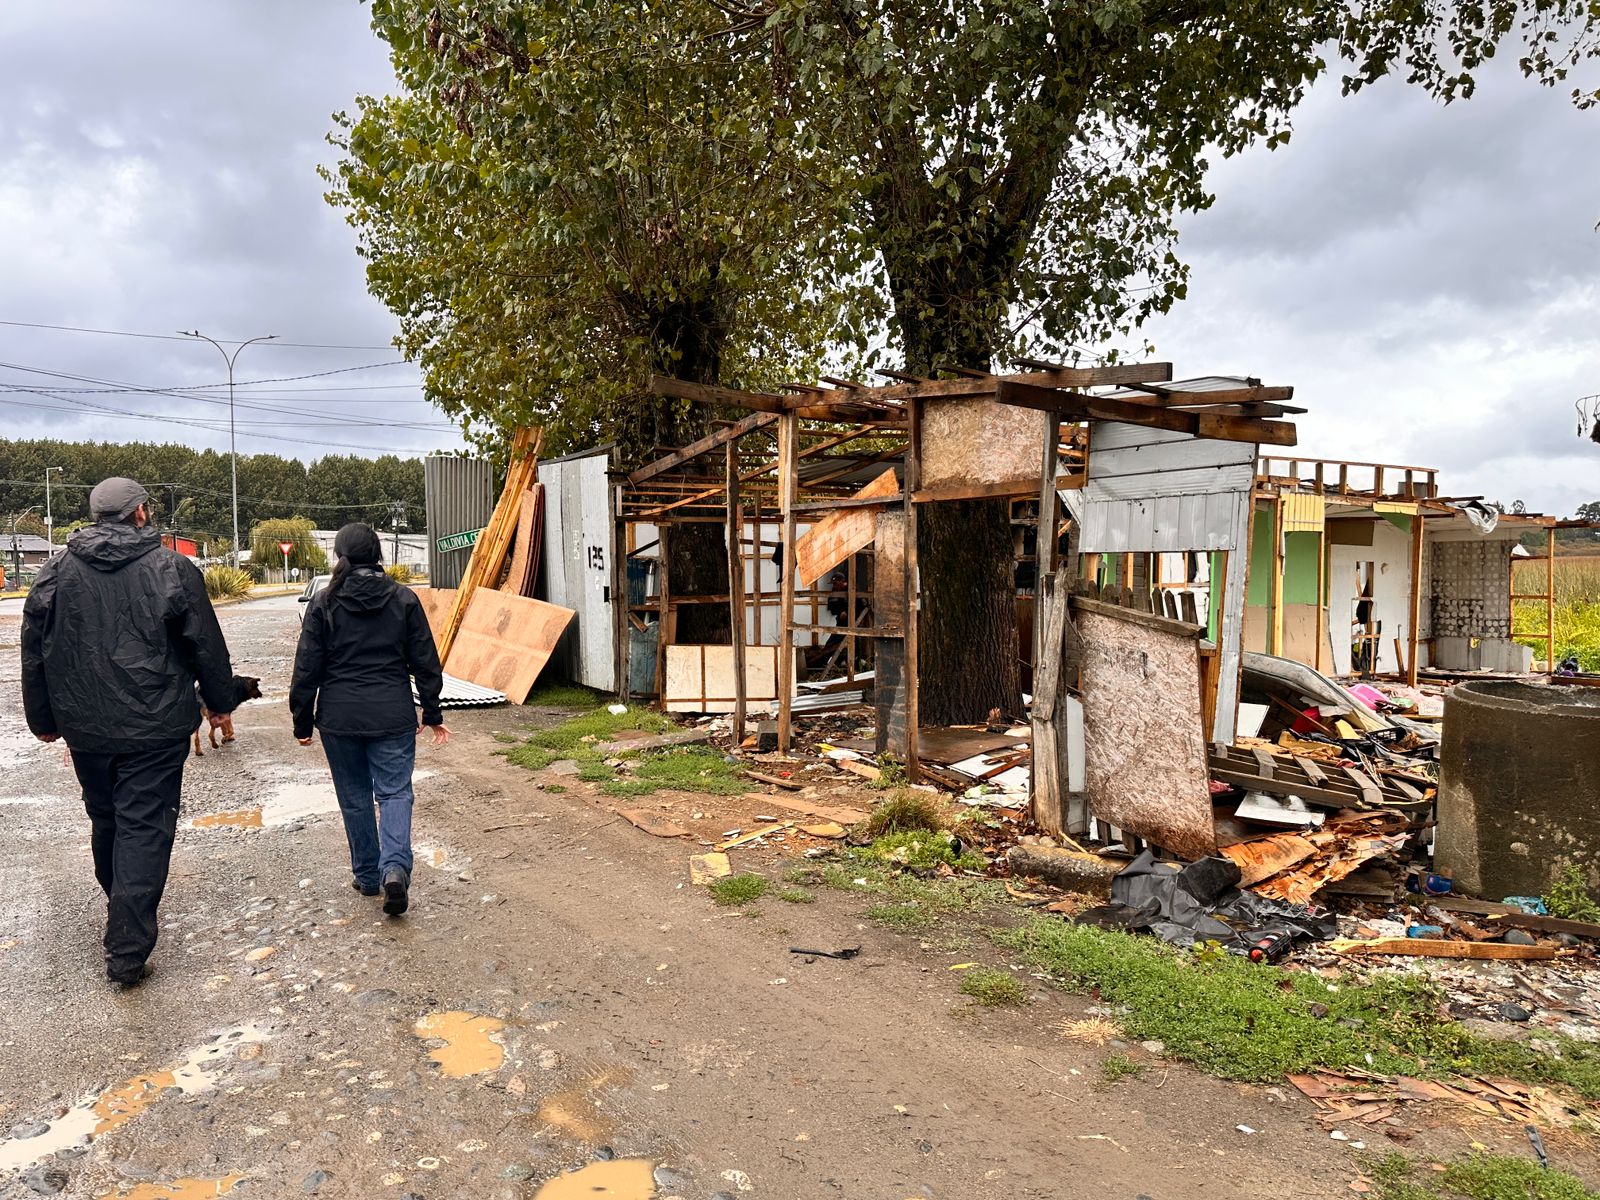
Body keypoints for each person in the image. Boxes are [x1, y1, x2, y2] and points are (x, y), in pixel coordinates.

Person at [21, 477, 239, 987]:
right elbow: (205, 643)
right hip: (156, 727)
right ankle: (126, 947)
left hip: (87, 729)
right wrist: (220, 703)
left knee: (108, 820)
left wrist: (44, 718)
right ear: (140, 513)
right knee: (143, 827)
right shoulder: (173, 568)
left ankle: (124, 907)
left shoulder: (55, 572)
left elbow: (35, 649)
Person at [290, 523, 447, 916]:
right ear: (378, 555)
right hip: (392, 713)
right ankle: (394, 867)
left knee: (354, 797)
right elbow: (425, 661)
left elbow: (307, 667)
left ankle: (367, 874)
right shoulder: (404, 599)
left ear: (339, 556)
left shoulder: (324, 603)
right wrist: (431, 710)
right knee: (394, 793)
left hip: (339, 718)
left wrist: (302, 722)